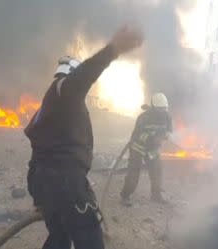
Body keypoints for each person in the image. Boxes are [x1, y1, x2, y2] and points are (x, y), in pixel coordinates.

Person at [24, 25, 143, 249]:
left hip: (49, 181)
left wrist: (39, 194)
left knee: (59, 236)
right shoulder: (64, 90)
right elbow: (81, 79)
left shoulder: (50, 106)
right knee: (90, 239)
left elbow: (38, 152)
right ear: (71, 74)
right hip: (66, 182)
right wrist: (112, 50)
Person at [120, 93, 172, 206]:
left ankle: (156, 195)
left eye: (164, 109)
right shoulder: (143, 118)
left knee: (157, 171)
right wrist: (151, 136)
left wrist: (165, 135)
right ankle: (125, 196)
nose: (162, 112)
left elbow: (169, 131)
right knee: (134, 173)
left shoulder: (167, 117)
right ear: (153, 108)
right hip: (138, 148)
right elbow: (137, 136)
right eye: (159, 109)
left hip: (153, 149)